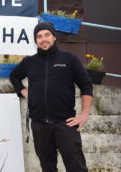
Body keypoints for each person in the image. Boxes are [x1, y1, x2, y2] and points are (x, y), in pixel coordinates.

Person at [10, 22, 93, 172]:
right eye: (39, 36)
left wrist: (84, 114)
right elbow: (14, 76)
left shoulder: (69, 58)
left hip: (66, 123)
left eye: (47, 34)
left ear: (54, 37)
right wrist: (23, 91)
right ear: (36, 41)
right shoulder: (29, 62)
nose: (43, 39)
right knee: (47, 168)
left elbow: (86, 85)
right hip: (39, 125)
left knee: (77, 167)